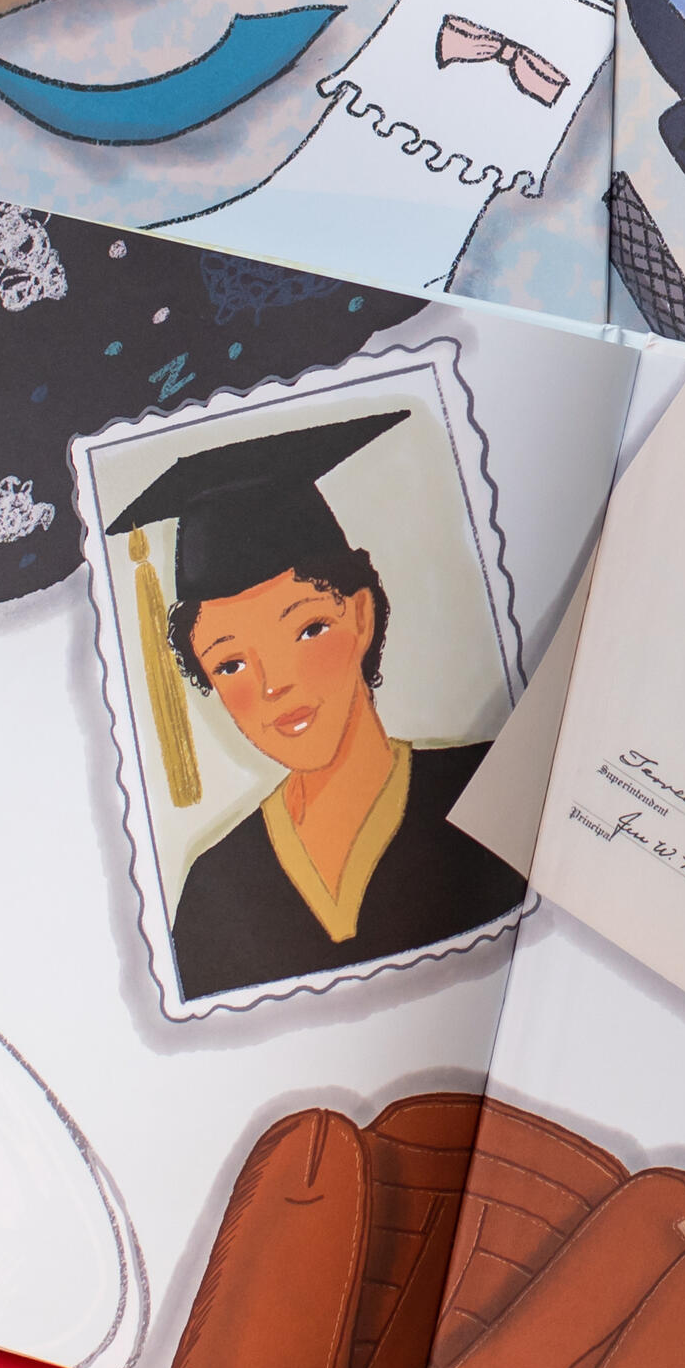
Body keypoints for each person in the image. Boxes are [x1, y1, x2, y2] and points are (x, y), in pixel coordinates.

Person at [108, 409, 528, 1002]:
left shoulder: (486, 786)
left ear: (361, 615)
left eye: (307, 630)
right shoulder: (216, 886)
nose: (273, 686)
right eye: (230, 665)